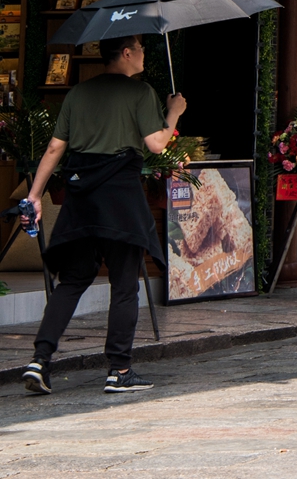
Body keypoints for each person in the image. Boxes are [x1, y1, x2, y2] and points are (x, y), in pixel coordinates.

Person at [19, 33, 182, 395]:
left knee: (73, 280)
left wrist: (34, 195)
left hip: (82, 197)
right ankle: (119, 370)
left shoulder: (77, 93)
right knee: (124, 283)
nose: (143, 55)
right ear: (125, 53)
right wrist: (173, 112)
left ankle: (40, 360)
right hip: (121, 197)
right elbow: (155, 143)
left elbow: (54, 147)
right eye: (139, 49)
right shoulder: (140, 92)